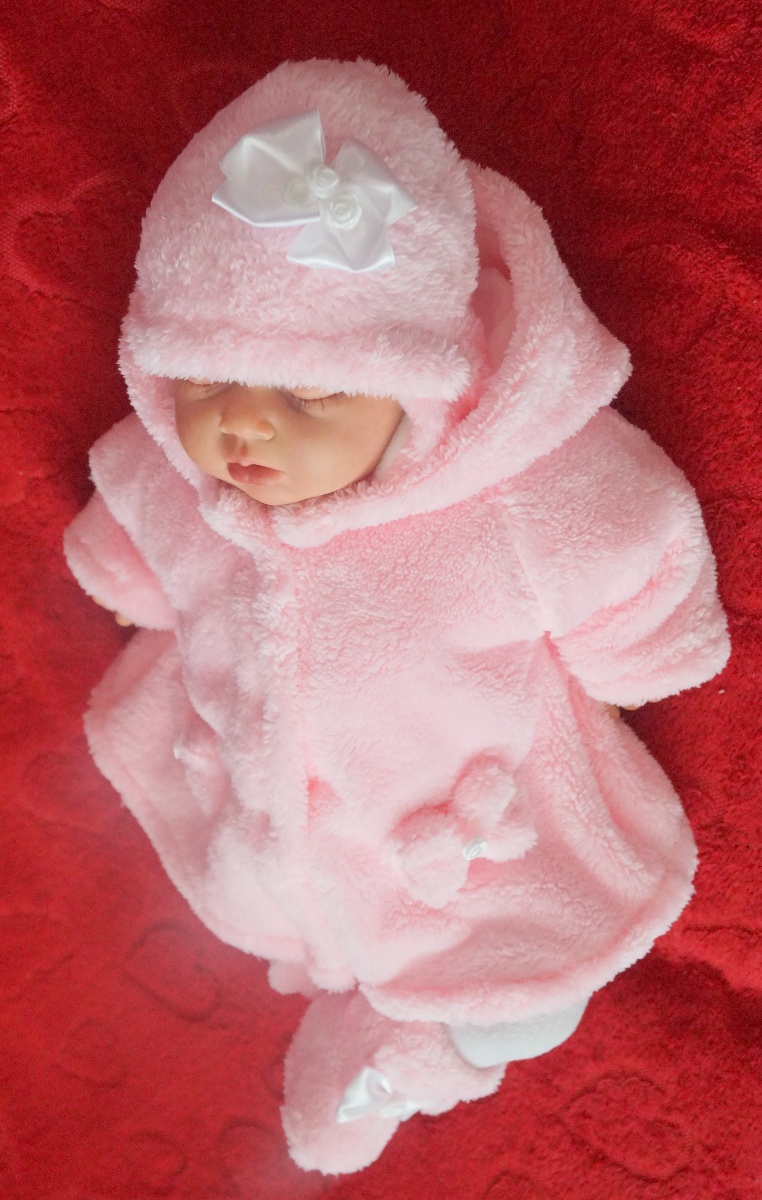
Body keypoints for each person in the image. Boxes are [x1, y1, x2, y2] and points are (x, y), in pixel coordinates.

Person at [63, 58, 730, 1175]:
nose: (244, 429)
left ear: (417, 388)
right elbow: (131, 532)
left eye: (311, 394)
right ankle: (344, 990)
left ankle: (410, 1058)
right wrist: (122, 570)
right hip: (260, 808)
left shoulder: (509, 489)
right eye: (206, 385)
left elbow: (634, 530)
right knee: (271, 907)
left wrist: (632, 665)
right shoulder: (173, 475)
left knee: (531, 997)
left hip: (464, 836)